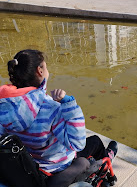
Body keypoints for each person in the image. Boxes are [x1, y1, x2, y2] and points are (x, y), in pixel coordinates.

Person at [0, 50, 118, 178]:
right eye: (45, 66)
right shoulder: (50, 108)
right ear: (40, 71)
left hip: (30, 164)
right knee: (95, 142)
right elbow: (77, 144)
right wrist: (69, 105)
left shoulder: (4, 106)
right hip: (56, 166)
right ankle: (106, 166)